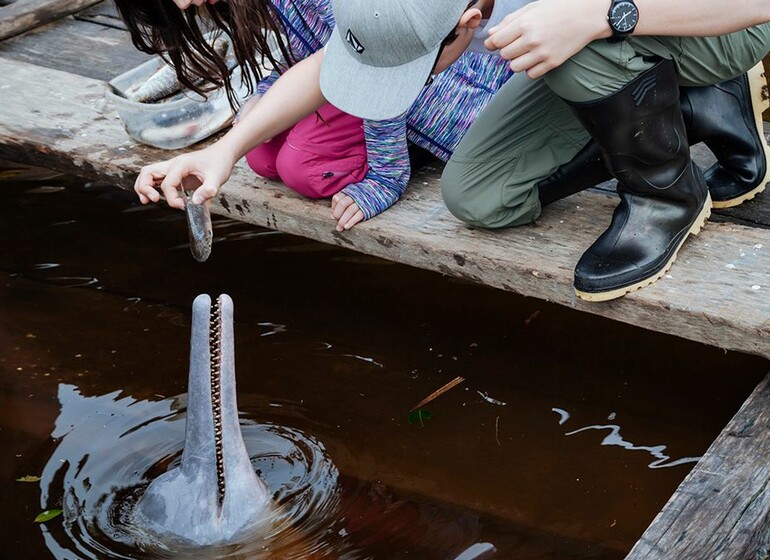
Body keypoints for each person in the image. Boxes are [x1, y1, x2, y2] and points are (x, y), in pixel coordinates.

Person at [318, 0, 770, 301]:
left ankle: (668, 199)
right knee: (478, 196)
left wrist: (603, 15)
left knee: (567, 32)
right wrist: (243, 141)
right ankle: (697, 107)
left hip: (722, 24)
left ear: (469, 24)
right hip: (604, 37)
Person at [115, 0, 514, 232]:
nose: (187, 6)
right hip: (361, 75)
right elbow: (312, 44)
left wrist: (387, 177)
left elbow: (385, 63)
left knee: (301, 166)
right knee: (262, 156)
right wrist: (266, 92)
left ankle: (411, 149)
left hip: (436, 86)